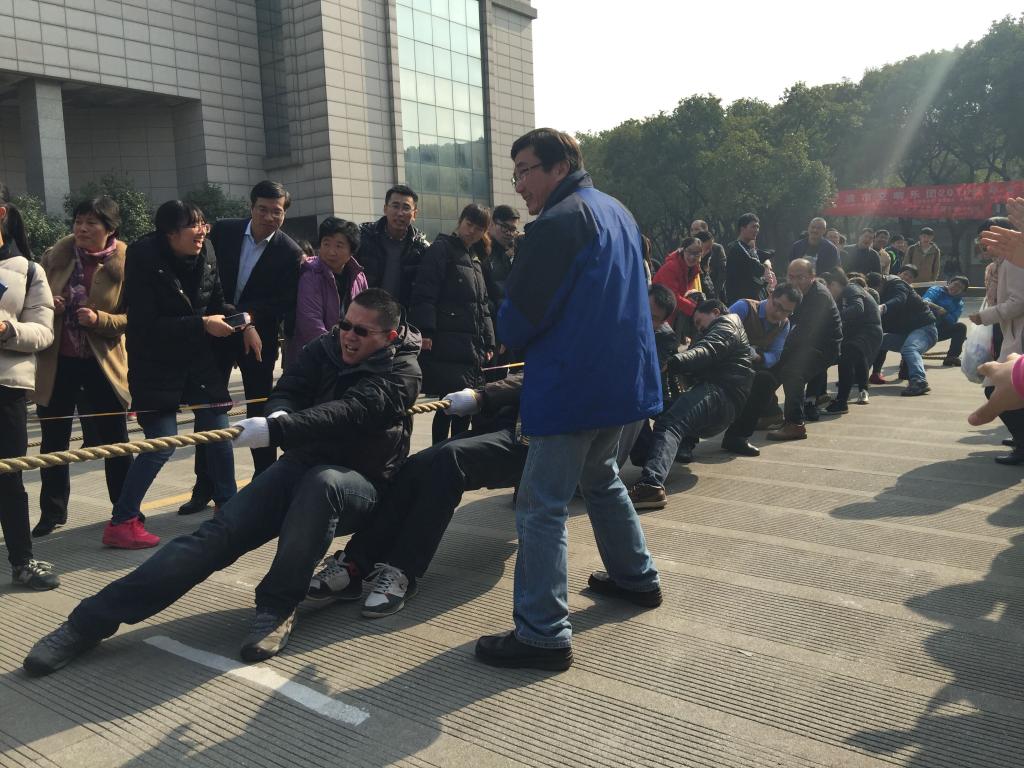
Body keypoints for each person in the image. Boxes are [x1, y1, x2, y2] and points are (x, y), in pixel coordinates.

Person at [23, 290, 422, 675]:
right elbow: (288, 390)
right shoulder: (327, 346)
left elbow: (352, 411)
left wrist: (280, 430)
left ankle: (277, 606)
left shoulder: (403, 372)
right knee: (212, 538)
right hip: (302, 464)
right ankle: (87, 622)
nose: (348, 335)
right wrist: (279, 414)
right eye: (344, 324)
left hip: (359, 486)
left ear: (389, 337)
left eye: (361, 331)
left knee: (324, 484)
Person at [474, 128, 662, 671]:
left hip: (574, 383)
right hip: (621, 382)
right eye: (515, 173)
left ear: (559, 167)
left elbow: (520, 319)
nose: (519, 185)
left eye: (525, 171)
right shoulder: (617, 211)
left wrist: (506, 327)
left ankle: (542, 633)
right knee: (601, 478)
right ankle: (636, 577)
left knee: (541, 506)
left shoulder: (559, 222)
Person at [308, 371, 527, 617]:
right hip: (501, 423)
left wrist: (483, 395)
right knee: (415, 466)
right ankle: (355, 563)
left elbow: (540, 374)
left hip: (531, 436)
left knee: (451, 460)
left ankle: (403, 569)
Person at [105, 201, 239, 549]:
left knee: (218, 432)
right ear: (169, 233)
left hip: (199, 361)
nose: (202, 231)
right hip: (155, 364)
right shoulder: (143, 257)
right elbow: (146, 326)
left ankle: (228, 506)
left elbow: (217, 302)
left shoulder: (208, 251)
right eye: (193, 225)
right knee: (161, 443)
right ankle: (122, 521)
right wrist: (202, 324)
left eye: (204, 223)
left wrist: (242, 321)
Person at [180, 181, 302, 515]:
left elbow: (282, 302)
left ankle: (265, 484)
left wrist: (247, 322)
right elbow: (207, 281)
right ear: (251, 208)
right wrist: (239, 320)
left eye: (277, 211)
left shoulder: (290, 252)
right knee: (209, 413)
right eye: (263, 209)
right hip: (215, 333)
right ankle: (204, 487)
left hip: (258, 340)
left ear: (284, 214)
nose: (269, 217)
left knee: (259, 412)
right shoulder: (224, 232)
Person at [33, 197, 132, 537]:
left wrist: (100, 319)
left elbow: (134, 317)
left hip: (103, 364)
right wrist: (50, 306)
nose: (82, 229)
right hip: (58, 363)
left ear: (110, 229)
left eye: (92, 223)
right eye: (78, 221)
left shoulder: (127, 263)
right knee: (53, 441)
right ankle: (52, 512)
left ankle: (124, 510)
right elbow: (32, 305)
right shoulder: (55, 257)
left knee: (115, 440)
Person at [629, 300, 754, 509]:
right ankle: (649, 457)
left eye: (698, 321)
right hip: (717, 397)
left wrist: (673, 362)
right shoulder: (716, 329)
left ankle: (651, 485)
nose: (698, 327)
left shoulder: (727, 325)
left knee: (670, 423)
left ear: (715, 312)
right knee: (644, 408)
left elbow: (707, 350)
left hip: (721, 394)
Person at [0, 183, 57, 589]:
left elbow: (43, 332)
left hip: (7, 389)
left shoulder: (29, 270)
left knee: (9, 478)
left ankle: (22, 561)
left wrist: (7, 329)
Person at [409, 203, 496, 444]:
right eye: (469, 224)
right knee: (447, 404)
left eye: (479, 228)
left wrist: (489, 341)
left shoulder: (475, 258)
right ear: (460, 221)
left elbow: (483, 305)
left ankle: (456, 451)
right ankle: (439, 452)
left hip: (470, 345)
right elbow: (425, 291)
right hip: (447, 341)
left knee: (463, 405)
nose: (472, 231)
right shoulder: (442, 248)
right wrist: (426, 331)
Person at [761, 259, 843, 440]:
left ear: (812, 277)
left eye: (800, 277)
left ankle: (795, 424)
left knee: (792, 373)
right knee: (767, 368)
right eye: (791, 276)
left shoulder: (820, 296)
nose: (794, 281)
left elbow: (805, 332)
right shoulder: (791, 292)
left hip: (823, 347)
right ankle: (770, 413)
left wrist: (779, 349)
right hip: (801, 343)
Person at [720, 284, 800, 455]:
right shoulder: (744, 308)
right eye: (777, 305)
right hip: (721, 363)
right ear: (770, 296)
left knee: (766, 381)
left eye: (786, 311)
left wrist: (757, 357)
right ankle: (686, 442)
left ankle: (737, 437)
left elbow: (775, 355)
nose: (778, 313)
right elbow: (718, 332)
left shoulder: (784, 325)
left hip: (748, 366)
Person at [970, 217, 1024, 464]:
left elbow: (1019, 302)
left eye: (989, 237)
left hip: (1018, 331)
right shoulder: (1000, 263)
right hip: (1010, 330)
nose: (985, 243)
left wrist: (985, 316)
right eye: (982, 239)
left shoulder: (1013, 262)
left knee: (996, 387)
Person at [284, 217, 367, 366]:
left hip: (350, 354)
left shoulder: (358, 276)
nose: (331, 252)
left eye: (339, 246)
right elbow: (311, 325)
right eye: (326, 244)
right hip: (315, 357)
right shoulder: (311, 275)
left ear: (351, 251)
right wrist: (338, 351)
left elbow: (366, 316)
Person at [866, 270, 938, 396]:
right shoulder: (878, 295)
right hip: (905, 334)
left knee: (910, 348)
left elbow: (900, 299)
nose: (875, 293)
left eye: (876, 289)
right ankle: (858, 375)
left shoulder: (898, 284)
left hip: (925, 329)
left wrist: (883, 307)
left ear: (882, 283)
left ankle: (919, 381)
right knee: (875, 340)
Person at [359, 184, 430, 309]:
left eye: (406, 208)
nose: (400, 213)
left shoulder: (421, 248)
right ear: (385, 209)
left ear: (414, 214)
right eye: (395, 206)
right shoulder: (364, 237)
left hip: (402, 315)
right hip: (365, 310)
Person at [823, 269, 882, 413]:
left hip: (868, 331)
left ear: (834, 284)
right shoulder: (842, 296)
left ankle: (841, 402)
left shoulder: (851, 289)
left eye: (828, 289)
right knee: (857, 357)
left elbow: (858, 308)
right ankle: (863, 390)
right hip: (859, 333)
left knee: (846, 359)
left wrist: (835, 318)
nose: (828, 293)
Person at [652, 236, 705, 330]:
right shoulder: (672, 267)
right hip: (659, 313)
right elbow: (672, 296)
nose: (692, 257)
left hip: (670, 313)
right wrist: (694, 309)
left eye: (696, 253)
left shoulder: (692, 269)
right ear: (683, 250)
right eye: (689, 252)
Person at [481, 204, 519, 319]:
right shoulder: (480, 250)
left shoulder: (509, 254)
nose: (509, 233)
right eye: (504, 227)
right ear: (491, 224)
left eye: (513, 229)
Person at [922, 276, 969, 367]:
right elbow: (925, 301)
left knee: (961, 327)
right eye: (955, 284)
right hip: (924, 326)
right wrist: (937, 308)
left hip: (939, 331)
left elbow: (953, 321)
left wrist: (945, 314)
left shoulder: (959, 303)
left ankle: (952, 357)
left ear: (962, 292)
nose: (956, 288)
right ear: (949, 283)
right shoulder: (936, 290)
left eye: (960, 288)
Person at [724, 213, 768, 303]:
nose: (756, 230)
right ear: (742, 228)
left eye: (758, 227)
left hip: (751, 299)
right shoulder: (738, 248)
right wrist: (766, 266)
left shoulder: (748, 248)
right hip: (741, 301)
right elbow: (759, 269)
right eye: (753, 227)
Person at [691, 221, 726, 300]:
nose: (693, 233)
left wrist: (716, 293)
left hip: (715, 291)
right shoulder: (689, 253)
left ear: (705, 230)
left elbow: (722, 272)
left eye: (696, 229)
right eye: (691, 230)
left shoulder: (717, 248)